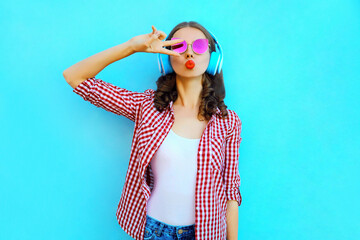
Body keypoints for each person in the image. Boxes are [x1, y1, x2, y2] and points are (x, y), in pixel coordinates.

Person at [63, 21, 243, 240]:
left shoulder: (228, 122)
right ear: (166, 58)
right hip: (154, 231)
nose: (188, 53)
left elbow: (231, 192)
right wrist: (131, 46)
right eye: (178, 46)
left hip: (205, 234)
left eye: (198, 46)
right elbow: (75, 77)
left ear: (213, 59)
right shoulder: (145, 107)